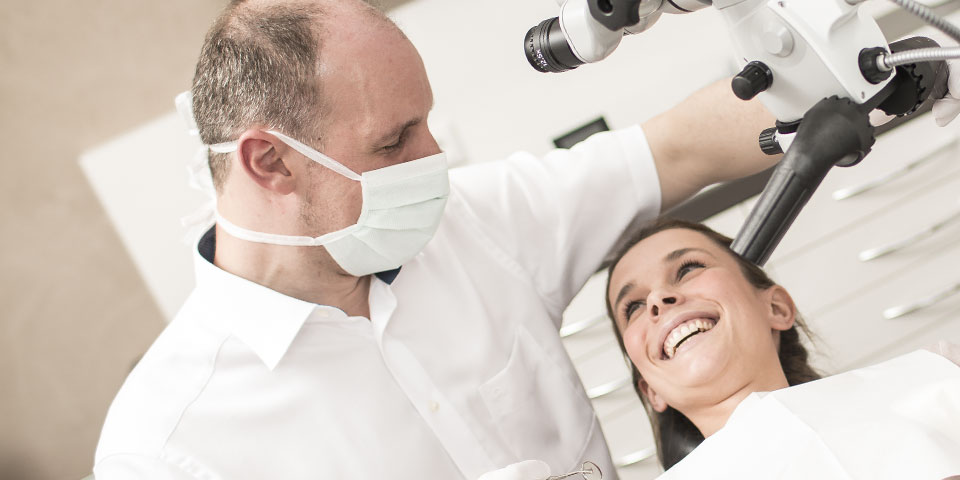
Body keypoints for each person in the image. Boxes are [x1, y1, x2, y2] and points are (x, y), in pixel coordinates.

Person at [92, 1, 959, 479]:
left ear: (778, 305)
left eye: (425, 123)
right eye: (394, 141)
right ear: (269, 163)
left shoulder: (472, 223)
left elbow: (678, 149)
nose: (433, 158)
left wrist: (879, 69)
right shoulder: (166, 447)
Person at [605, 219, 960, 478]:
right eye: (633, 307)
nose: (658, 298)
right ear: (651, 391)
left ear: (775, 308)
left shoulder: (935, 377)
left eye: (689, 269)